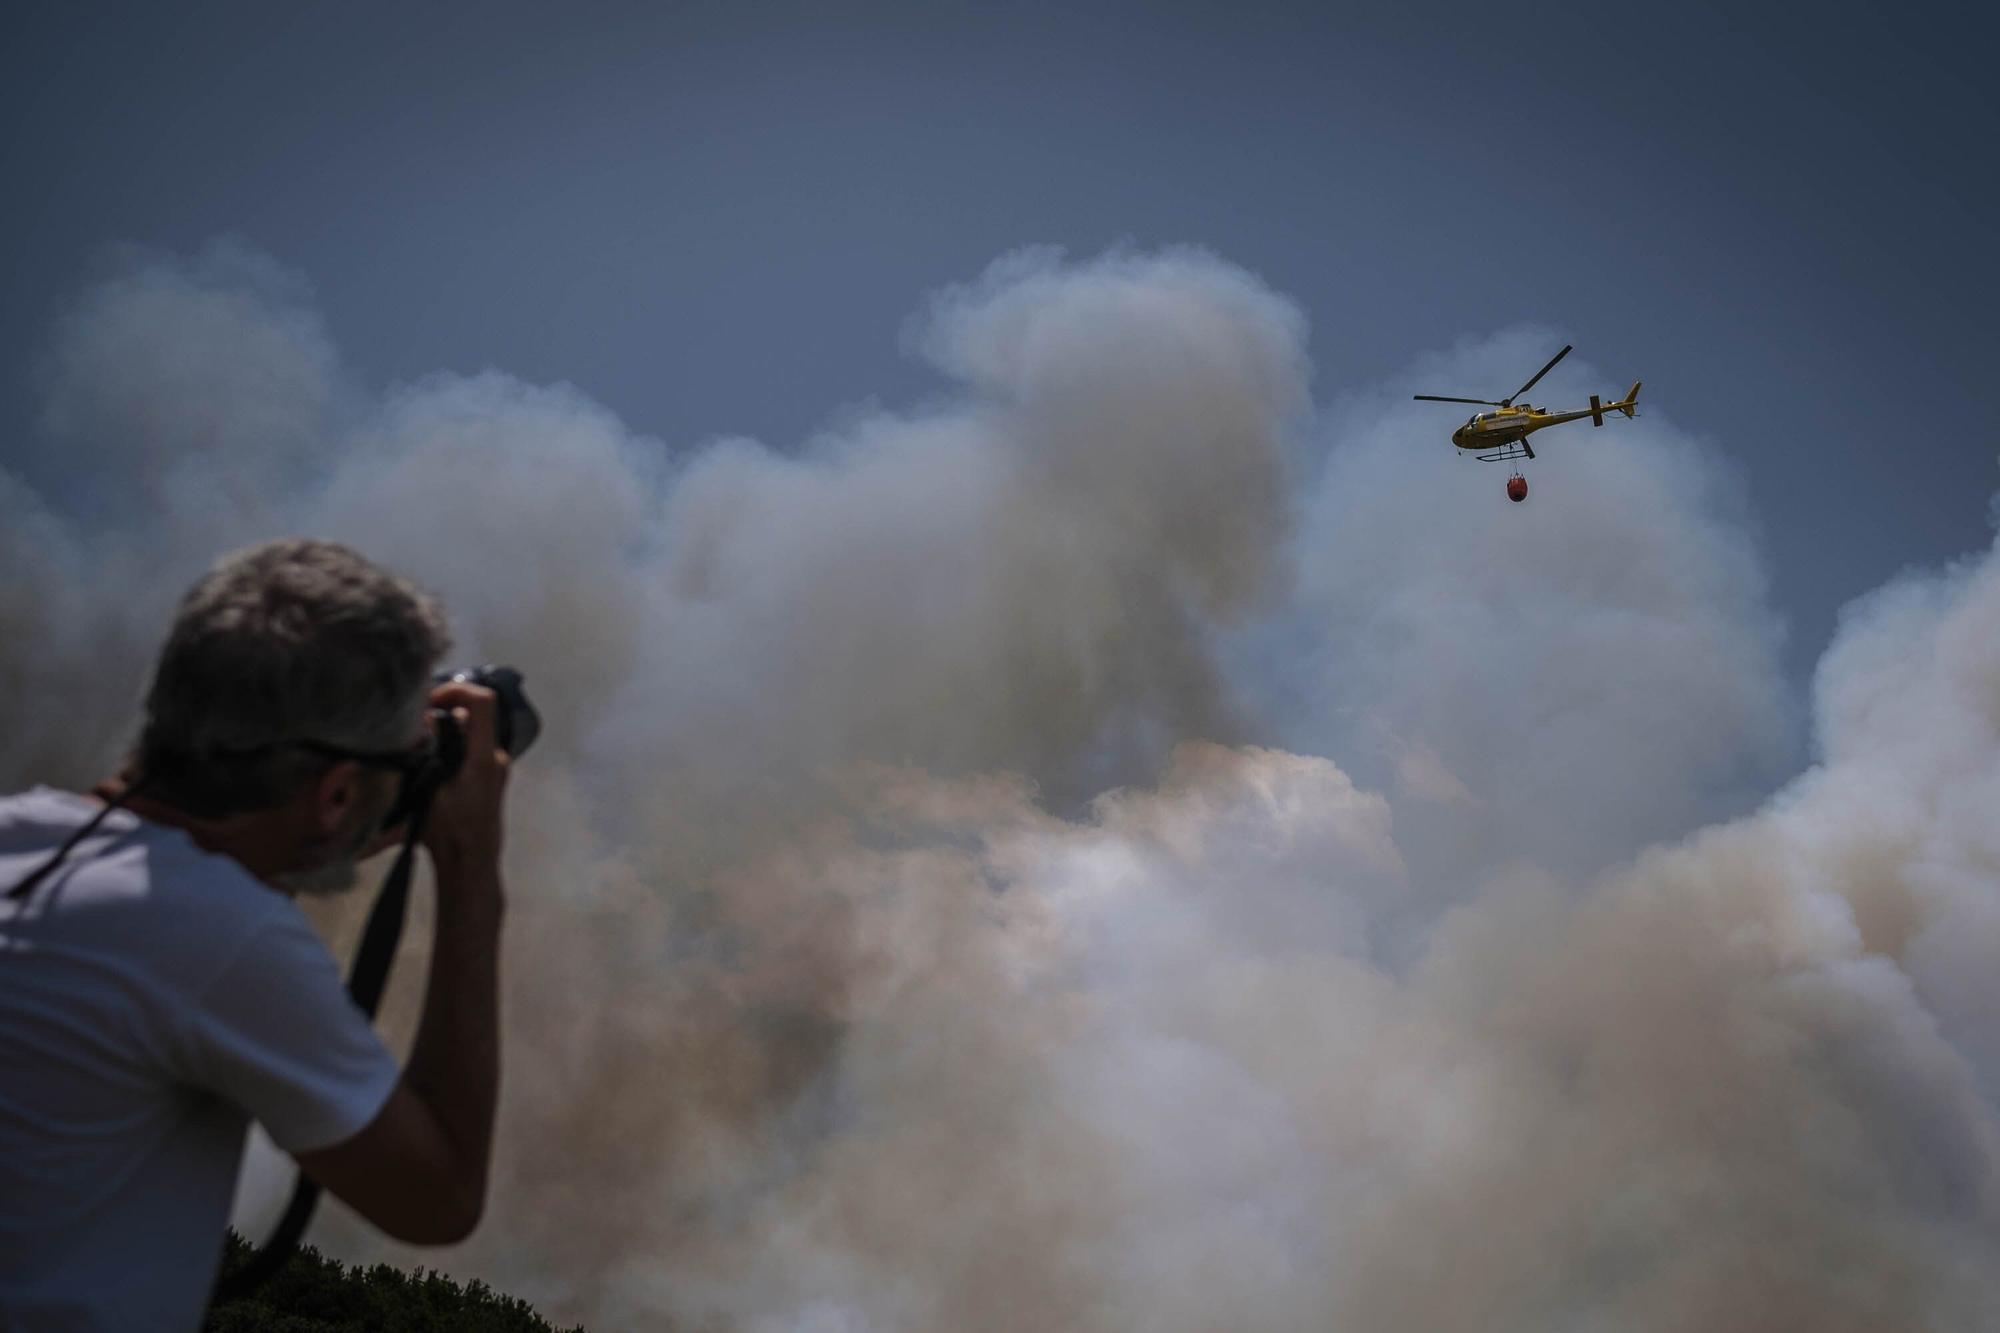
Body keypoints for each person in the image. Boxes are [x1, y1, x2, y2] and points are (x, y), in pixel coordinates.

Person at [0, 538, 511, 1332]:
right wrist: (471, 868)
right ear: (337, 792)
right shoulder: (223, 939)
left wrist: (320, 837)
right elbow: (437, 1198)